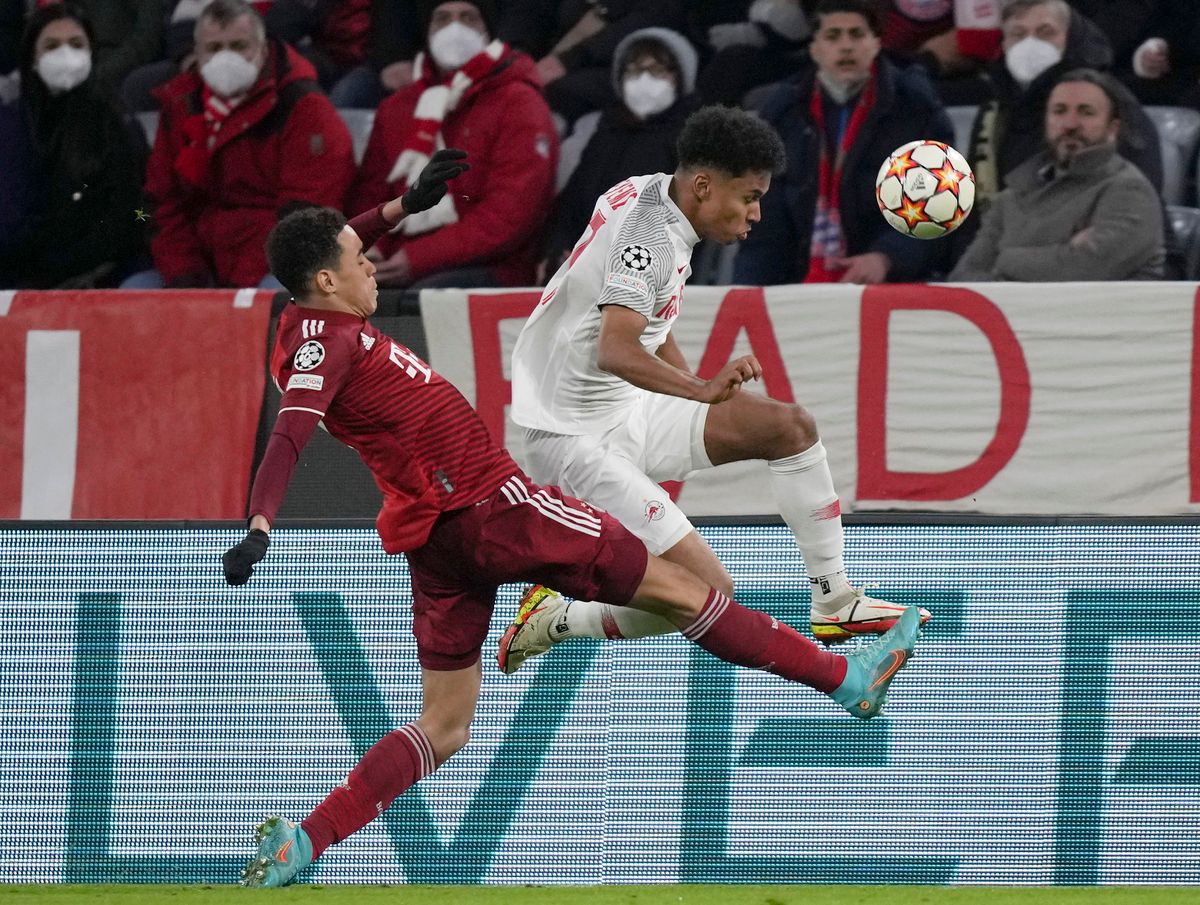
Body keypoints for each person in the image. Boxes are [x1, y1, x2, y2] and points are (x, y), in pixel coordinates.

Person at [221, 148, 924, 888]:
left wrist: (404, 207)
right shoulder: (322, 345)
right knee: (690, 588)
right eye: (360, 260)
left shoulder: (308, 309)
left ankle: (305, 840)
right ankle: (847, 679)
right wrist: (261, 525)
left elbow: (340, 243)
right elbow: (290, 432)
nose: (374, 264)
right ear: (329, 280)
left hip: (435, 540)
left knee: (446, 724)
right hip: (495, 505)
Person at [497, 103, 930, 676]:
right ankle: (556, 619)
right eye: (748, 196)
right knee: (708, 594)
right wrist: (699, 391)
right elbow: (616, 349)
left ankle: (835, 600)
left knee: (788, 427)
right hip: (572, 436)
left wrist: (692, 389)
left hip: (623, 403)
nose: (755, 213)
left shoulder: (651, 193)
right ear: (703, 185)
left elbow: (647, 324)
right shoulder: (647, 240)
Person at [128, 0, 354, 289]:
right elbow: (162, 204)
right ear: (196, 54)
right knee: (135, 290)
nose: (225, 58)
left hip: (274, 267)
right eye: (214, 48)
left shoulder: (303, 107)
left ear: (262, 49)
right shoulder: (180, 106)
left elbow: (307, 216)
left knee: (275, 294)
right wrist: (185, 277)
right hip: (199, 267)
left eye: (238, 46)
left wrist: (237, 290)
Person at [733, 0, 955, 286]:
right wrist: (747, 293)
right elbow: (764, 223)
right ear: (814, 48)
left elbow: (939, 205)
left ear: (876, 43)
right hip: (799, 284)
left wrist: (887, 257)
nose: (846, 46)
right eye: (833, 36)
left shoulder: (915, 106)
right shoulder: (782, 110)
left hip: (893, 282)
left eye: (857, 35)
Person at [347, 0, 557, 289]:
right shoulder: (398, 107)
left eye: (468, 18)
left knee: (420, 298)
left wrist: (416, 258)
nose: (454, 27)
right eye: (442, 18)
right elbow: (371, 194)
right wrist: (371, 246)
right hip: (397, 260)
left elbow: (509, 216)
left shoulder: (519, 102)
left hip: (490, 266)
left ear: (489, 32)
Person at [949, 68, 1165, 281]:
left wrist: (1005, 259)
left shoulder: (1129, 191)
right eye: (1059, 111)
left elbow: (1083, 270)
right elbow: (963, 278)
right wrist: (1061, 251)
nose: (1070, 124)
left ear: (1113, 128)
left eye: (1086, 112)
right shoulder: (1013, 195)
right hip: (1019, 315)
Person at [0, 2, 149, 290]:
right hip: (18, 275)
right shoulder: (10, 126)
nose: (65, 54)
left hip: (100, 273)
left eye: (76, 44)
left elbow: (132, 213)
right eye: (52, 45)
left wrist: (76, 263)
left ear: (91, 52)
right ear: (32, 56)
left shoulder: (117, 122)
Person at [964, 0, 1162, 214]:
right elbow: (974, 209)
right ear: (1004, 44)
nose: (1030, 44)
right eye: (1018, 34)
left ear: (1072, 38)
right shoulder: (994, 110)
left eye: (1046, 32)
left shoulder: (1110, 103)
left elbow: (1135, 206)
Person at [541, 26, 700, 282]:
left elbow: (685, 225)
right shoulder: (606, 133)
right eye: (634, 69)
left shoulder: (692, 142)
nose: (644, 79)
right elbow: (572, 206)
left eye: (658, 70)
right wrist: (556, 253)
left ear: (680, 78)